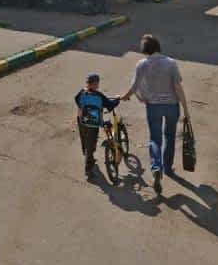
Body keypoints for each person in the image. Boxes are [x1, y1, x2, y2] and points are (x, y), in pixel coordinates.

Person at [120, 34, 190, 195]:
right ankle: (168, 167)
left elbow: (135, 86)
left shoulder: (142, 64)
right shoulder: (171, 63)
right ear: (158, 47)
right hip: (172, 106)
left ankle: (156, 167)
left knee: (155, 139)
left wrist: (127, 97)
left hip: (153, 107)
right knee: (170, 136)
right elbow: (178, 87)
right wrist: (186, 109)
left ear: (145, 50)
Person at [74, 73, 119, 173]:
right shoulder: (99, 96)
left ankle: (87, 155)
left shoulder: (82, 92)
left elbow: (76, 99)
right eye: (97, 83)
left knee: (85, 140)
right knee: (91, 143)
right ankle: (88, 167)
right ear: (95, 84)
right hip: (94, 123)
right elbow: (110, 105)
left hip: (82, 121)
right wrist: (117, 99)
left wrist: (83, 107)